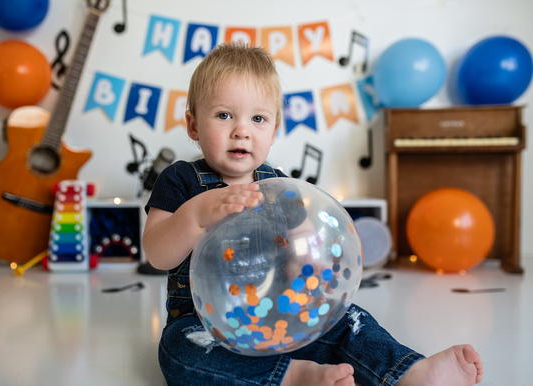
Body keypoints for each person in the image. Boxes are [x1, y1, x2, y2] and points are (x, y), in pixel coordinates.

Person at [142, 42, 484, 386]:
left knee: (347, 319)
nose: (241, 130)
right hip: (203, 325)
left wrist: (318, 273)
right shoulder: (180, 178)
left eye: (258, 118)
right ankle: (294, 376)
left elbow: (303, 246)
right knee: (177, 353)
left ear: (274, 131)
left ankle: (407, 371)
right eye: (223, 115)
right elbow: (157, 254)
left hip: (278, 315)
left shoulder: (278, 186)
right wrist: (196, 215)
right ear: (193, 125)